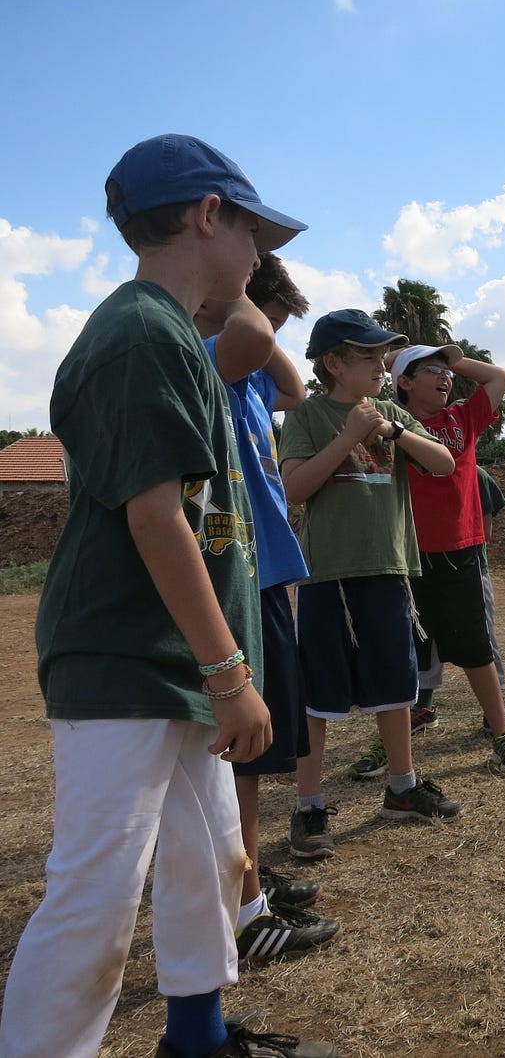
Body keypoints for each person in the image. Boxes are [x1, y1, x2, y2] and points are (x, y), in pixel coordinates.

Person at [0, 134, 336, 1058]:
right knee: (95, 892)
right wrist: (231, 674)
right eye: (254, 233)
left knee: (210, 857)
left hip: (174, 660)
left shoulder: (174, 334)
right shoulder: (141, 334)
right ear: (207, 214)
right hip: (127, 659)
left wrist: (216, 669)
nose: (260, 258)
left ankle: (197, 1037)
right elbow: (156, 518)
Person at [195, 254, 340, 963]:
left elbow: (294, 386)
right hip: (236, 573)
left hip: (265, 567)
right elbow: (251, 339)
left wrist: (256, 305)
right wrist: (235, 290)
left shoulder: (250, 372)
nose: (270, 337)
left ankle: (245, 875)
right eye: (268, 321)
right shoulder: (208, 359)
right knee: (241, 754)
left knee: (254, 752)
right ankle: (244, 902)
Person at [279, 310, 463, 861]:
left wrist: (395, 431)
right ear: (333, 363)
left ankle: (402, 788)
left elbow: (444, 464)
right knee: (319, 693)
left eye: (384, 356)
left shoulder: (391, 413)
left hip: (388, 569)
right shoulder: (306, 414)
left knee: (395, 685)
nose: (382, 366)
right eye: (369, 357)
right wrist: (348, 437)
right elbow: (294, 488)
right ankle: (309, 805)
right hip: (329, 575)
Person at [350, 344, 505, 774]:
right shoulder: (386, 421)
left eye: (446, 371)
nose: (446, 377)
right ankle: (390, 742)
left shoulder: (462, 418)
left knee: (476, 650)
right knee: (403, 655)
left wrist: (449, 360)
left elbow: (498, 377)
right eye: (432, 370)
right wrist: (390, 361)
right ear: (404, 383)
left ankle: (501, 733)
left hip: (459, 551)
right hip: (406, 554)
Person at [409, 467, 505, 734]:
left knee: (482, 641)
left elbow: (485, 530)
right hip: (422, 571)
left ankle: (495, 714)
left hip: (469, 570)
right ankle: (423, 707)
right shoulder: (413, 471)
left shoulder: (475, 475)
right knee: (425, 641)